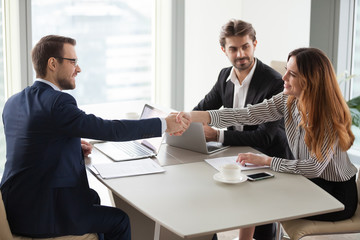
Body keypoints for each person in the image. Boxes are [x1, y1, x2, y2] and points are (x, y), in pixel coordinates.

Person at [0, 35, 188, 240]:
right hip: (42, 214)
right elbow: (109, 130)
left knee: (93, 197)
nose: (78, 69)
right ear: (53, 63)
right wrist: (164, 123)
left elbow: (32, 144)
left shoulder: (14, 101)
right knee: (120, 221)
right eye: (73, 62)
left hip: (16, 205)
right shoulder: (59, 102)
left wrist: (69, 145)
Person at [178, 47, 358, 240]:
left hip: (334, 195)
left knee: (259, 198)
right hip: (307, 183)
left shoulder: (327, 117)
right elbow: (248, 114)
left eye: (292, 74)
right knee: (253, 190)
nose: (284, 77)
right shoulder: (289, 99)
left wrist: (266, 161)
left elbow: (314, 168)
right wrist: (192, 116)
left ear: (310, 81)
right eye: (286, 70)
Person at [193, 19, 292, 240]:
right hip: (236, 154)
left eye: (245, 46)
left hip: (269, 159)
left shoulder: (274, 83)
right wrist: (184, 121)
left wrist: (217, 134)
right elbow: (201, 109)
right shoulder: (224, 77)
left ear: (255, 44)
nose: (240, 54)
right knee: (198, 184)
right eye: (233, 49)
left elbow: (266, 137)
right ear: (223, 50)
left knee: (262, 230)